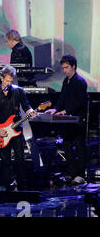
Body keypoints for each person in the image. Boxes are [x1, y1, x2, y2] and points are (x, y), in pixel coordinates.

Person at [0, 66, 37, 191]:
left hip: (16, 130)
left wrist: (31, 111)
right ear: (2, 79)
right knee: (6, 160)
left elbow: (26, 106)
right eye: (7, 81)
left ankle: (22, 185)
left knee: (20, 157)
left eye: (11, 81)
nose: (9, 83)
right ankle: (8, 185)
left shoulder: (19, 91)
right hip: (1, 131)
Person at [45, 55, 88, 185]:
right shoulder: (66, 81)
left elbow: (79, 102)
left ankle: (80, 175)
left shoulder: (80, 81)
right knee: (67, 146)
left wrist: (66, 111)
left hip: (78, 120)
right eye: (63, 68)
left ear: (73, 66)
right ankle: (71, 173)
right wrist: (56, 109)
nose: (64, 70)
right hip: (67, 121)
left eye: (66, 67)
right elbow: (62, 98)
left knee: (79, 147)